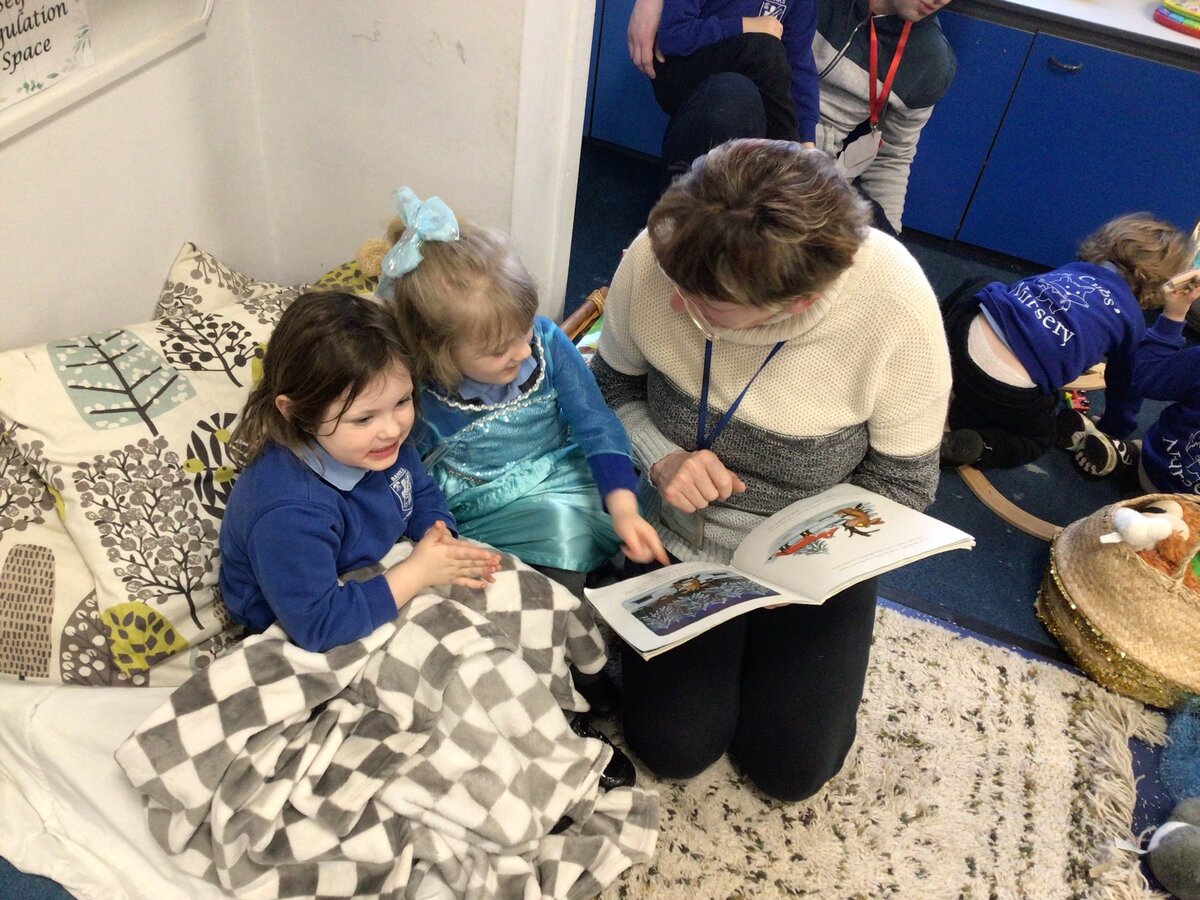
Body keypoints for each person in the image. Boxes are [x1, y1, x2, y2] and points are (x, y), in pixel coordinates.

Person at [590, 139, 951, 801]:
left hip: (810, 561)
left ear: (798, 301)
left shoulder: (894, 305)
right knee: (673, 748)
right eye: (675, 282)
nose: (674, 304)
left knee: (792, 770)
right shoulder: (667, 252)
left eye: (707, 306)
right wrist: (660, 457)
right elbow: (609, 386)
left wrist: (804, 565)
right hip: (683, 539)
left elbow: (904, 484)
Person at [377, 188, 668, 600]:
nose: (522, 352)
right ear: (438, 351)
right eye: (498, 350)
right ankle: (571, 617)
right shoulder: (421, 393)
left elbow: (596, 423)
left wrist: (622, 507)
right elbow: (407, 471)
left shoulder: (546, 342)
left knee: (627, 501)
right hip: (484, 504)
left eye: (525, 327)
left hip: (561, 471)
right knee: (563, 536)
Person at [218, 290, 502, 654]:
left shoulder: (378, 446)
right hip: (307, 628)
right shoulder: (288, 511)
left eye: (402, 401)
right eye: (363, 418)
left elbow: (419, 492)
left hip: (384, 573)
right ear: (295, 412)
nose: (392, 429)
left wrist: (438, 534)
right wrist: (418, 572)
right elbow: (318, 626)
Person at [628, 0, 956, 234]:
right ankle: (670, 239)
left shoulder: (930, 62)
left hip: (810, 160)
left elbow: (894, 159)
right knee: (738, 87)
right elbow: (679, 35)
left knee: (873, 232)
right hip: (745, 117)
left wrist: (891, 249)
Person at [940, 214, 1195, 470]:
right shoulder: (1132, 321)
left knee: (983, 287)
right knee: (1037, 440)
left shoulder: (1073, 270)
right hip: (1003, 390)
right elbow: (1126, 386)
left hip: (957, 340)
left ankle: (929, 337)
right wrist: (1114, 427)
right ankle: (981, 445)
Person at [646, 0, 819, 172]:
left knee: (749, 84)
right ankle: (790, 161)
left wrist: (807, 140)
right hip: (682, 70)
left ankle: (793, 163)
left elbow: (799, 65)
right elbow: (673, 36)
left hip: (746, 90)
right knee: (765, 48)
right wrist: (744, 26)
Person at [1073, 277, 1200, 490]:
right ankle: (1129, 454)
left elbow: (1143, 377)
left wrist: (1174, 316)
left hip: (1156, 468)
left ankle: (1128, 452)